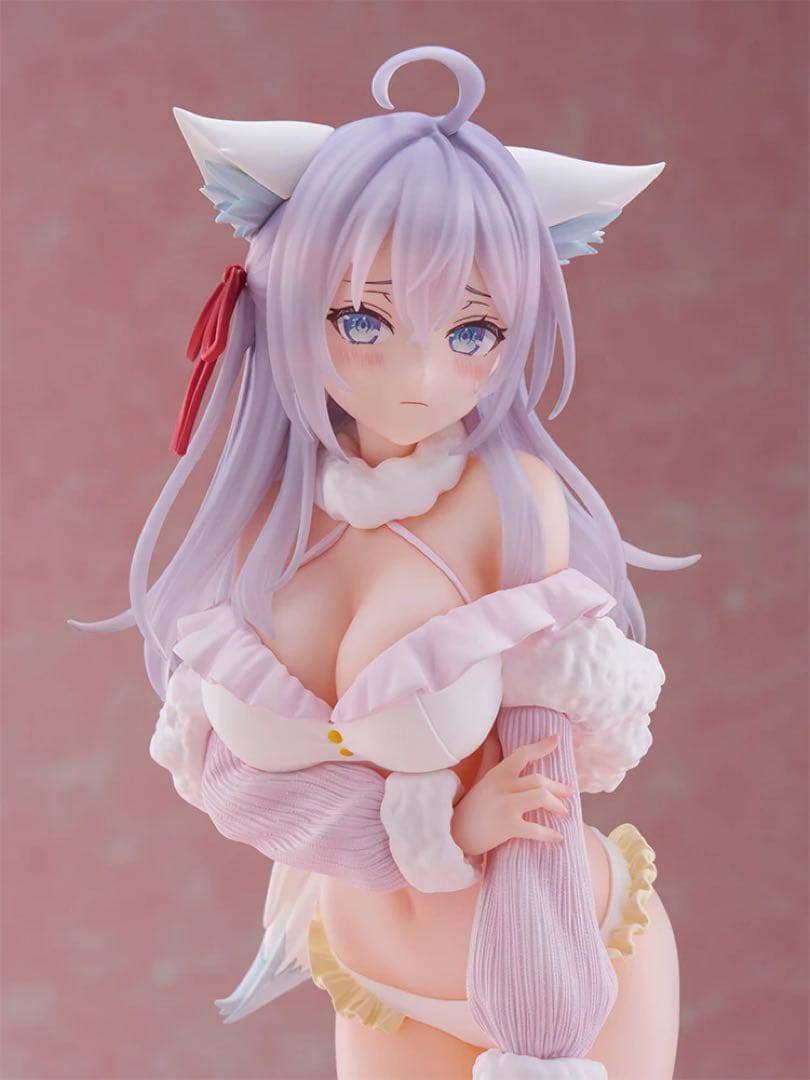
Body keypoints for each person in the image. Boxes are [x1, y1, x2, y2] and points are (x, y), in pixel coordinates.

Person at [71, 44, 695, 1080]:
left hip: (553, 964)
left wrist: (544, 1040)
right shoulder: (268, 527)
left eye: (474, 330)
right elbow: (235, 785)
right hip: (369, 966)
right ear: (285, 301)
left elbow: (541, 785)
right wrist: (429, 827)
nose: (421, 374)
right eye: (364, 318)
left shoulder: (508, 504)